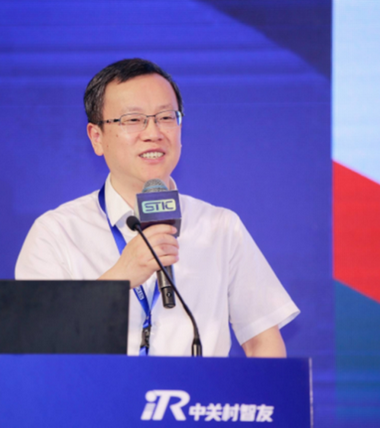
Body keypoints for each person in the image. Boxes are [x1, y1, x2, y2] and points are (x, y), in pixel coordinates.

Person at [16, 58, 299, 357]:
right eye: (133, 119)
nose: (153, 132)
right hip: (96, 389)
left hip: (196, 388)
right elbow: (33, 340)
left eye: (165, 117)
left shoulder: (220, 227)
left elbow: (262, 342)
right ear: (97, 137)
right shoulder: (56, 232)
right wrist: (120, 278)